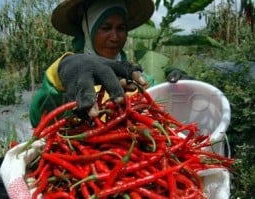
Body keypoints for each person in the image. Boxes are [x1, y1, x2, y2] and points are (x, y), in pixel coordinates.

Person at [29, 0, 189, 128]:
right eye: (105, 28)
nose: (115, 37)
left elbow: (163, 109)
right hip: (80, 164)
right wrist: (63, 69)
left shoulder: (137, 80)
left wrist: (180, 88)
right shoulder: (72, 75)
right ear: (87, 29)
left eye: (121, 28)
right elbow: (38, 118)